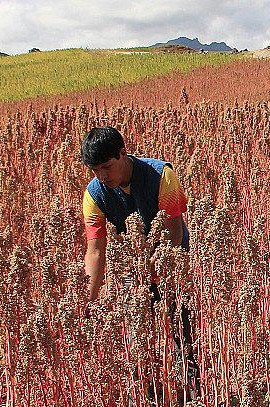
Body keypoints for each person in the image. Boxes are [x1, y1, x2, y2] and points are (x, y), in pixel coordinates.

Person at [79, 126, 188, 300]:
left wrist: (145, 271)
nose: (102, 176)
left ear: (123, 153)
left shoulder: (162, 177)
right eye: (95, 170)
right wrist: (88, 299)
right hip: (133, 268)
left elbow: (174, 235)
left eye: (107, 167)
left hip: (171, 264)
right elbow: (95, 252)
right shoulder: (93, 195)